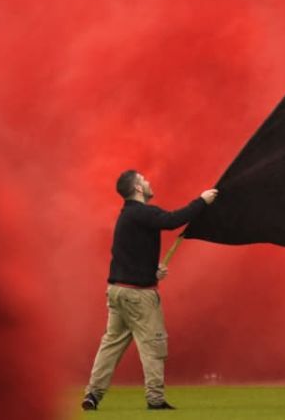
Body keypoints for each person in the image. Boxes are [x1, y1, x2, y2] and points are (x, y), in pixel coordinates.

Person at [81, 170, 217, 411]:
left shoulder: (127, 217)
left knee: (111, 345)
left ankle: (93, 394)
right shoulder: (142, 213)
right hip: (138, 295)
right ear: (137, 188)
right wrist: (202, 201)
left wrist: (151, 271)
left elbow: (129, 254)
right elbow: (172, 220)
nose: (148, 182)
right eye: (143, 180)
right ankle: (155, 399)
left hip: (117, 292)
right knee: (153, 345)